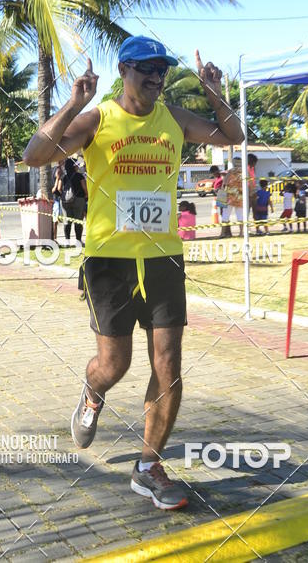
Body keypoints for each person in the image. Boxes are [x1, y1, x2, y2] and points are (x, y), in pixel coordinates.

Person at [22, 37, 243, 510]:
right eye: (147, 68)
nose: (157, 77)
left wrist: (213, 93)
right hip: (110, 262)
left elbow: (232, 136)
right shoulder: (99, 118)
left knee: (169, 365)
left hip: (163, 257)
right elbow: (35, 155)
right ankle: (92, 391)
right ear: (124, 70)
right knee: (114, 365)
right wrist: (74, 101)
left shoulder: (175, 117)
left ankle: (148, 466)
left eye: (162, 70)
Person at [61, 157, 88, 244]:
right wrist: (87, 195)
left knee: (67, 221)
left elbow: (59, 188)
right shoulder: (79, 176)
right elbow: (84, 188)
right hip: (78, 200)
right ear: (73, 166)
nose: (78, 166)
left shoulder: (64, 177)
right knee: (78, 221)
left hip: (66, 201)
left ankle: (67, 241)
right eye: (76, 164)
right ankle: (78, 241)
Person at [247, 153, 258, 232]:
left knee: (255, 211)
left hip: (253, 190)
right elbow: (249, 181)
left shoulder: (253, 168)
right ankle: (247, 229)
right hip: (247, 191)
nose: (255, 164)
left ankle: (257, 228)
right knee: (247, 211)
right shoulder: (246, 168)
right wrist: (250, 192)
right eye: (254, 162)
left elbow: (253, 180)